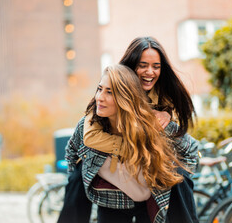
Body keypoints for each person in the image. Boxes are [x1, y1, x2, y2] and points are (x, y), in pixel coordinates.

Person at [58, 36, 199, 223]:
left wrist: (165, 114)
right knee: (78, 176)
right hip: (113, 194)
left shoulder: (161, 96)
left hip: (144, 189)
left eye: (156, 66)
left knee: (179, 176)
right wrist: (133, 148)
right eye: (143, 65)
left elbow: (188, 148)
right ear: (130, 68)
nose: (150, 72)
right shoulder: (104, 100)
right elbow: (84, 140)